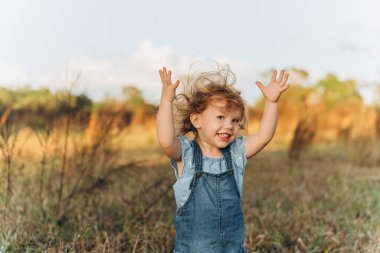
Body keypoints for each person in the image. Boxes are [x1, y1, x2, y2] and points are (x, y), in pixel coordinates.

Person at [156, 64, 290, 252]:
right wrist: (166, 101)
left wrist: (272, 103)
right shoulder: (186, 155)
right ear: (197, 120)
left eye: (235, 120)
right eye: (221, 117)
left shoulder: (235, 153)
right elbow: (165, 141)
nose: (229, 126)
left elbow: (263, 137)